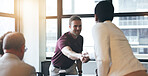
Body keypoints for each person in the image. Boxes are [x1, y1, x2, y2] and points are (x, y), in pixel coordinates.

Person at [92, 1, 147, 76]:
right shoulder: (116, 29)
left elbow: (103, 59)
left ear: (96, 17)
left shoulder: (99, 27)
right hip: (140, 71)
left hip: (124, 73)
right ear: (112, 16)